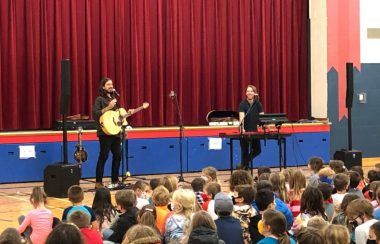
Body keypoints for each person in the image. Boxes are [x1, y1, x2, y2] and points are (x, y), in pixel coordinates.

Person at [92, 77, 133, 189]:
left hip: (116, 132)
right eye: (108, 84)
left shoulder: (115, 100)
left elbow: (118, 118)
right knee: (103, 156)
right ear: (103, 87)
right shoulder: (99, 100)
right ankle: (98, 182)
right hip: (104, 133)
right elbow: (95, 114)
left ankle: (115, 180)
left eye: (111, 84)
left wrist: (124, 122)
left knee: (118, 155)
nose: (111, 86)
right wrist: (108, 107)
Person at [239, 85, 264, 170]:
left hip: (255, 132)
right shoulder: (242, 104)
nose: (249, 92)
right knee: (245, 151)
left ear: (254, 93)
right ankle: (245, 169)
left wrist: (266, 126)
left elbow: (262, 117)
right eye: (248, 91)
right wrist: (242, 128)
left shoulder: (258, 104)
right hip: (245, 131)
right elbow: (241, 118)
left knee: (257, 150)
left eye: (251, 91)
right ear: (246, 93)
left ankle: (244, 163)